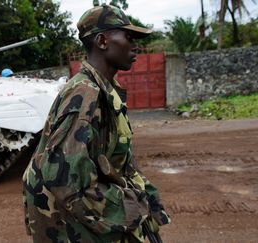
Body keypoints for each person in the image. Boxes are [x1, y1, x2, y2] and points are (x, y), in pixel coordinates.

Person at [22, 4, 170, 243]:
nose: (135, 46)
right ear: (102, 41)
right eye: (128, 37)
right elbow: (64, 179)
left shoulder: (101, 89)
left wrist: (145, 200)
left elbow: (115, 163)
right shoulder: (84, 95)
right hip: (73, 229)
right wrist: (132, 211)